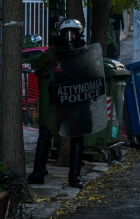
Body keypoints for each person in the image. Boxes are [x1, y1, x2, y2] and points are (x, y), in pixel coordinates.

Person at [28, 19, 92, 188]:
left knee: (77, 136)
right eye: (66, 33)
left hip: (76, 100)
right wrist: (53, 52)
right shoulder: (55, 51)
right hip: (58, 100)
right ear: (61, 35)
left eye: (72, 33)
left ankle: (75, 176)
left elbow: (92, 73)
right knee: (45, 132)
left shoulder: (83, 52)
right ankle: (38, 173)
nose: (69, 37)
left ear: (78, 35)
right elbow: (40, 63)